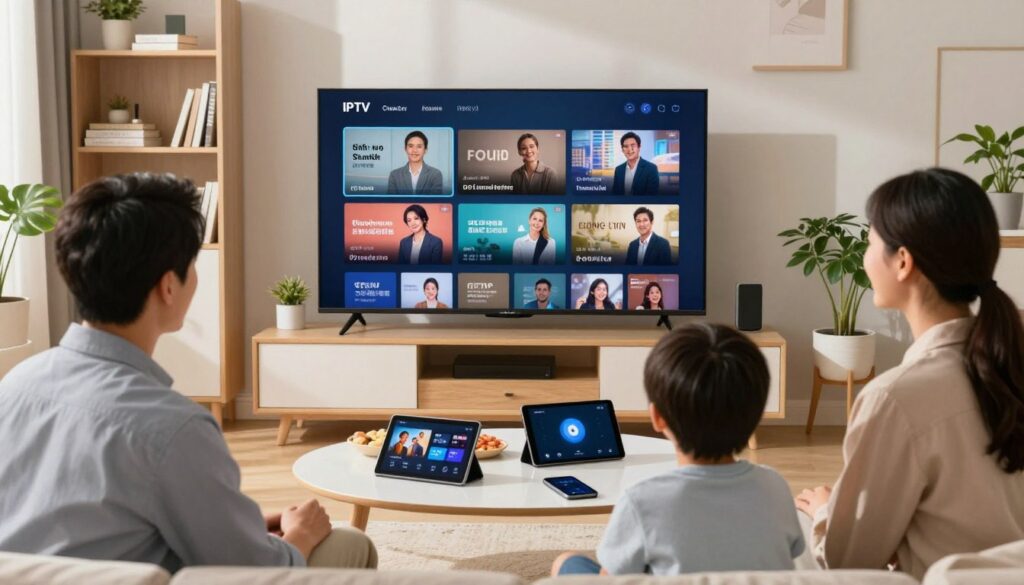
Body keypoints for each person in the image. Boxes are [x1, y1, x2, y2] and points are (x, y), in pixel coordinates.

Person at [0, 173, 376, 571]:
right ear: (168, 287)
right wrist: (301, 534)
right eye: (192, 265)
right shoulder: (174, 429)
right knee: (349, 543)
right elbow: (253, 570)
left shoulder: (15, 385)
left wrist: (241, 526)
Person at [794, 168, 1024, 580]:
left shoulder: (895, 398)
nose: (864, 258)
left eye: (869, 243)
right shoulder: (1011, 362)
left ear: (903, 262)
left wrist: (827, 511)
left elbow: (848, 562)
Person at [551, 324, 804, 576]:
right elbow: (792, 551)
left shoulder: (641, 501)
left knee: (567, 562)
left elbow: (611, 581)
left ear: (657, 417)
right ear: (756, 414)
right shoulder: (775, 487)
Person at [386, 130, 444, 195]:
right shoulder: (394, 175)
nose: (414, 150)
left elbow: (435, 200)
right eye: (411, 146)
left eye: (419, 146)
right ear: (405, 149)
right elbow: (392, 200)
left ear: (425, 150)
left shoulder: (435, 175)